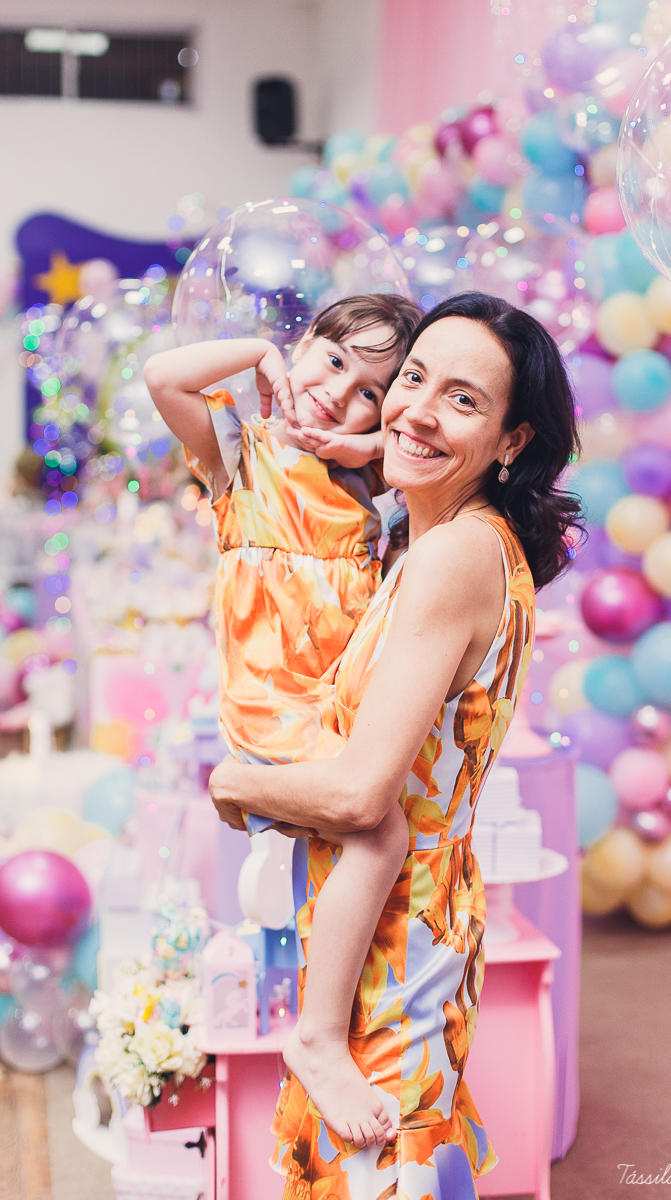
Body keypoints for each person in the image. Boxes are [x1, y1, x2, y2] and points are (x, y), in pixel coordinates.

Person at [208, 291, 582, 1198]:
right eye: (412, 379)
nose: (416, 410)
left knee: (377, 1176)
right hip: (405, 922)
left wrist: (233, 784)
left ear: (512, 441)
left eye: (464, 399)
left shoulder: (453, 556)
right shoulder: (457, 540)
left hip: (394, 940)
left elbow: (359, 797)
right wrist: (362, 449)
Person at [144, 295, 421, 1148]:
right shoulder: (243, 451)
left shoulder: (371, 487)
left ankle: (335, 1019)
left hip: (344, 712)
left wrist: (369, 450)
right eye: (333, 361)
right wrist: (258, 351)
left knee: (383, 842)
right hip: (274, 711)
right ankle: (319, 1038)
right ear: (301, 352)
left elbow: (470, 478)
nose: (341, 393)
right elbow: (163, 377)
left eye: (372, 392)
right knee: (381, 832)